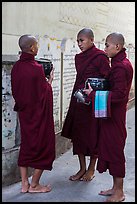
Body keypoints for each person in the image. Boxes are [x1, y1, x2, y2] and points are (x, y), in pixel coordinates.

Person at [84, 32, 133, 202]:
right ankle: (114, 188)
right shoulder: (120, 63)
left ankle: (119, 192)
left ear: (117, 47)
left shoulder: (121, 67)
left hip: (115, 116)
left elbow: (119, 95)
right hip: (112, 115)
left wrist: (93, 94)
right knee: (111, 149)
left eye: (106, 45)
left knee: (115, 152)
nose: (104, 48)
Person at [61, 28, 110, 181]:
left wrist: (94, 95)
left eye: (82, 40)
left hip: (93, 102)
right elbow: (79, 79)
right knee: (78, 137)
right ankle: (82, 168)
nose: (79, 44)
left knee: (92, 136)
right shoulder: (79, 58)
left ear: (91, 40)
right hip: (79, 101)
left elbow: (106, 80)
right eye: (78, 41)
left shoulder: (100, 57)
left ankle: (91, 169)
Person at [11, 34, 55, 193]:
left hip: (25, 115)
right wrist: (49, 82)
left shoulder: (16, 67)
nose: (38, 47)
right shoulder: (36, 69)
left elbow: (17, 91)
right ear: (31, 48)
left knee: (26, 146)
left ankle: (24, 184)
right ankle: (34, 184)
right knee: (45, 146)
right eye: (36, 45)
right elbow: (43, 93)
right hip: (38, 116)